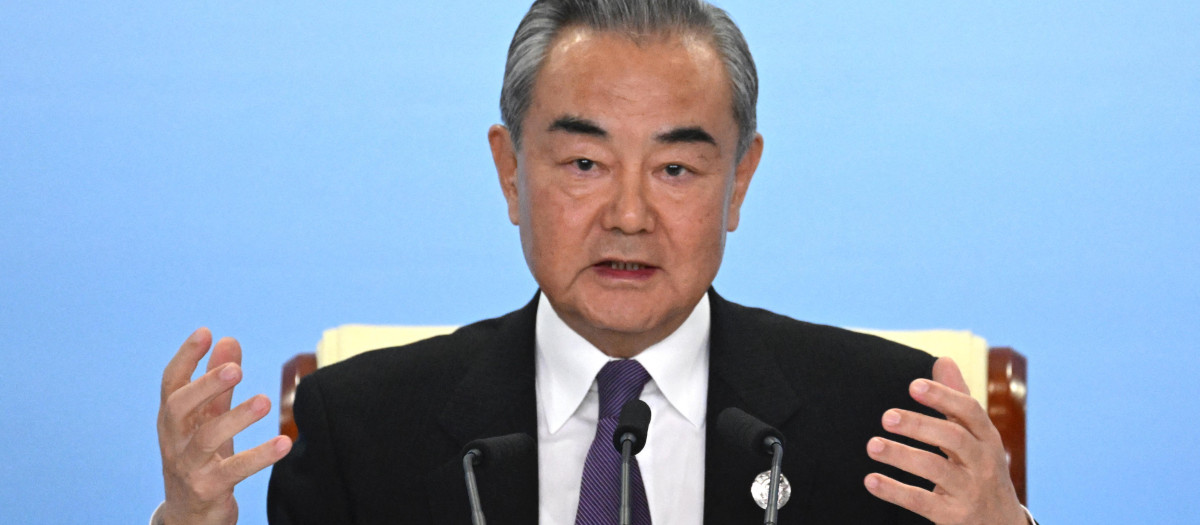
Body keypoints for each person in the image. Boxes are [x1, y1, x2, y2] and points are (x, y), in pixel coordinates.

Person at [156, 1, 1033, 523]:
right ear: (510, 171)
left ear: (740, 181)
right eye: (584, 163)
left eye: (678, 168)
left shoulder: (887, 422)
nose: (627, 214)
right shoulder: (361, 427)